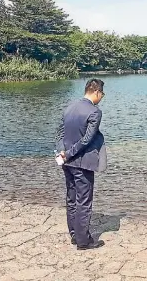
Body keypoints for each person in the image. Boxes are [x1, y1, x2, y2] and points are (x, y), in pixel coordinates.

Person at [55, 78, 107, 250]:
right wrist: (69, 153)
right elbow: (86, 140)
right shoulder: (94, 112)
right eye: (102, 94)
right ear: (97, 92)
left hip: (67, 162)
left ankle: (74, 234)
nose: (102, 98)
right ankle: (83, 241)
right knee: (84, 201)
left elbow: (60, 133)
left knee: (71, 198)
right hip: (82, 162)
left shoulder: (70, 106)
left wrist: (62, 152)